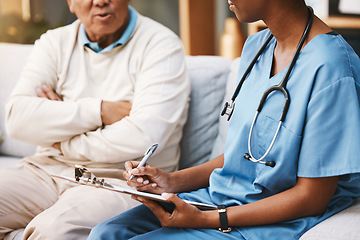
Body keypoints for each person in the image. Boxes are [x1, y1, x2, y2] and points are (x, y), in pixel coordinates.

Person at [87, 0, 360, 239]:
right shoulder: (257, 46)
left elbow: (312, 198)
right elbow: (240, 156)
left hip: (268, 219)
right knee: (106, 233)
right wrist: (172, 182)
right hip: (219, 199)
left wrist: (210, 218)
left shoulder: (331, 66)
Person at [1, 0, 190, 239]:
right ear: (70, 3)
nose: (100, 1)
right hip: (47, 169)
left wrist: (60, 136)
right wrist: (100, 111)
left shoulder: (161, 44)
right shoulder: (54, 42)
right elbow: (16, 120)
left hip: (118, 180)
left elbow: (143, 137)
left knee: (54, 231)